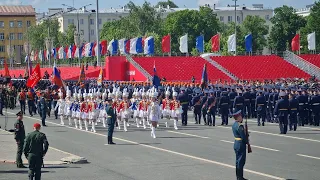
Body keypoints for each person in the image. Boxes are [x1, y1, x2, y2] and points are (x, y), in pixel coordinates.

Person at [231, 109, 248, 180]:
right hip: (241, 144)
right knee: (241, 161)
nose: (242, 117)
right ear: (238, 117)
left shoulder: (234, 124)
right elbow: (243, 137)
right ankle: (240, 177)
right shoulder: (240, 126)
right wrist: (247, 139)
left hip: (236, 143)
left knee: (238, 161)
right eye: (240, 116)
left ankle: (239, 176)